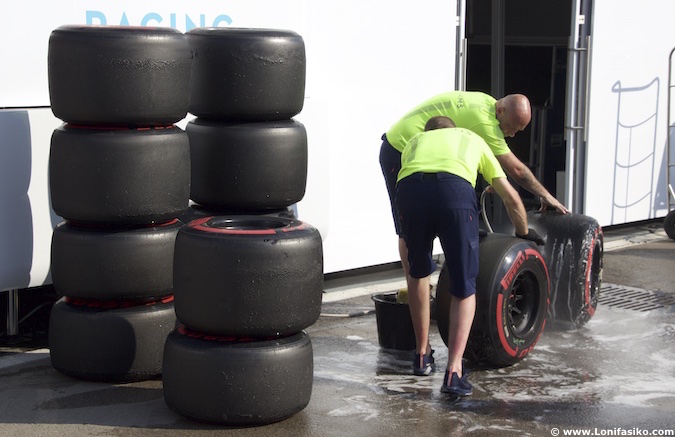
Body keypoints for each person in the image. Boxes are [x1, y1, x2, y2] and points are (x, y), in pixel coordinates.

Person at [395, 115, 544, 396]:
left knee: (418, 273)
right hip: (453, 192)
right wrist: (523, 231)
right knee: (465, 284)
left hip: (410, 192)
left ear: (429, 132)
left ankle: (421, 355)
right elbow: (510, 197)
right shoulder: (472, 138)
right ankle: (454, 371)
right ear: (454, 129)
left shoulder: (414, 142)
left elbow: (416, 182)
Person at [379, 90, 568, 279]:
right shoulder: (486, 125)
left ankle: (420, 283)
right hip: (399, 147)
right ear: (501, 110)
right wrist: (546, 195)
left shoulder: (488, 102)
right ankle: (413, 282)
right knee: (407, 228)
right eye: (510, 127)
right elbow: (517, 171)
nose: (510, 135)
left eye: (517, 131)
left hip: (420, 149)